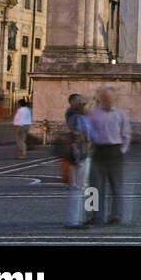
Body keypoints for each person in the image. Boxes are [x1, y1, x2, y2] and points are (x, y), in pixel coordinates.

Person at [87, 86, 132, 225]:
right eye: (105, 97)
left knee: (116, 186)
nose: (108, 100)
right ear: (101, 99)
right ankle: (95, 216)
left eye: (110, 97)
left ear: (114, 99)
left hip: (114, 151)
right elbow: (88, 132)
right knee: (94, 187)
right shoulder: (93, 114)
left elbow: (126, 134)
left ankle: (116, 216)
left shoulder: (121, 114)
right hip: (98, 150)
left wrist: (121, 150)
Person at [63, 94, 93, 229]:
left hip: (80, 152)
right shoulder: (76, 117)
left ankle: (79, 218)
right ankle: (74, 220)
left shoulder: (78, 117)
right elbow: (88, 134)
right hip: (79, 153)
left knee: (81, 186)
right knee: (78, 187)